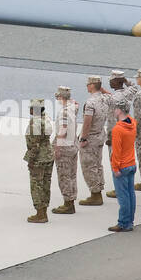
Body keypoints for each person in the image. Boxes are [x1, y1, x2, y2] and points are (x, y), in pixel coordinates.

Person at [78, 76, 107, 206]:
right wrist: (102, 89)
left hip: (91, 137)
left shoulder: (90, 103)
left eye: (88, 84)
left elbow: (87, 121)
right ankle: (99, 189)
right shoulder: (105, 99)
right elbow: (111, 95)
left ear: (91, 86)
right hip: (100, 134)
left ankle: (95, 194)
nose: (86, 86)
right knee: (98, 164)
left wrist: (83, 137)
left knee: (89, 166)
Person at [24, 99, 55, 223]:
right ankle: (44, 212)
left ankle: (40, 213)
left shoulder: (35, 123)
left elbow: (35, 145)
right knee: (46, 184)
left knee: (36, 185)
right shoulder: (46, 119)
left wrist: (30, 159)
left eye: (31, 108)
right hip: (48, 154)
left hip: (39, 157)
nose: (29, 110)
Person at [108, 102, 137, 232]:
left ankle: (123, 222)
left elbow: (117, 150)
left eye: (115, 108)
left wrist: (115, 168)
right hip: (131, 163)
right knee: (131, 194)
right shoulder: (133, 123)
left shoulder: (117, 129)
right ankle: (130, 221)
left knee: (123, 196)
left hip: (122, 166)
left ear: (119, 110)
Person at [51, 85, 78, 214]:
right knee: (72, 175)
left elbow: (62, 131)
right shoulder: (73, 108)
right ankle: (71, 199)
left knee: (64, 176)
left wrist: (57, 148)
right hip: (73, 146)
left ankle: (68, 203)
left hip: (65, 148)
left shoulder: (64, 112)